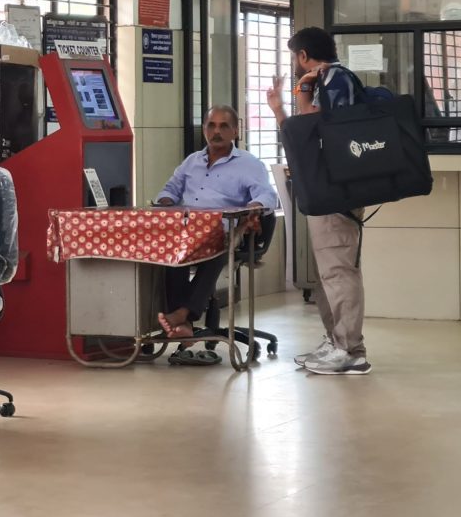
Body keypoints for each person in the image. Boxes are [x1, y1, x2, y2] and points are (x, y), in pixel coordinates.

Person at [266, 27, 372, 375]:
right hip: (324, 188)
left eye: (294, 57)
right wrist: (281, 109)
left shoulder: (334, 79)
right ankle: (335, 339)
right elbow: (302, 138)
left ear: (303, 55)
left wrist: (301, 93)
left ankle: (351, 349)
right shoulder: (324, 81)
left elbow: (321, 131)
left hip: (337, 189)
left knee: (339, 269)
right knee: (328, 271)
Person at [154, 105, 278, 340]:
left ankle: (183, 314)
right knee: (169, 250)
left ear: (235, 131)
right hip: (187, 231)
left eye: (223, 126)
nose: (216, 132)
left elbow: (268, 196)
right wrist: (166, 202)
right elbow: (170, 189)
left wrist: (254, 206)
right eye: (211, 125)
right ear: (204, 129)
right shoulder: (191, 162)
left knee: (217, 247)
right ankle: (184, 322)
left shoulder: (249, 164)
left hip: (226, 231)